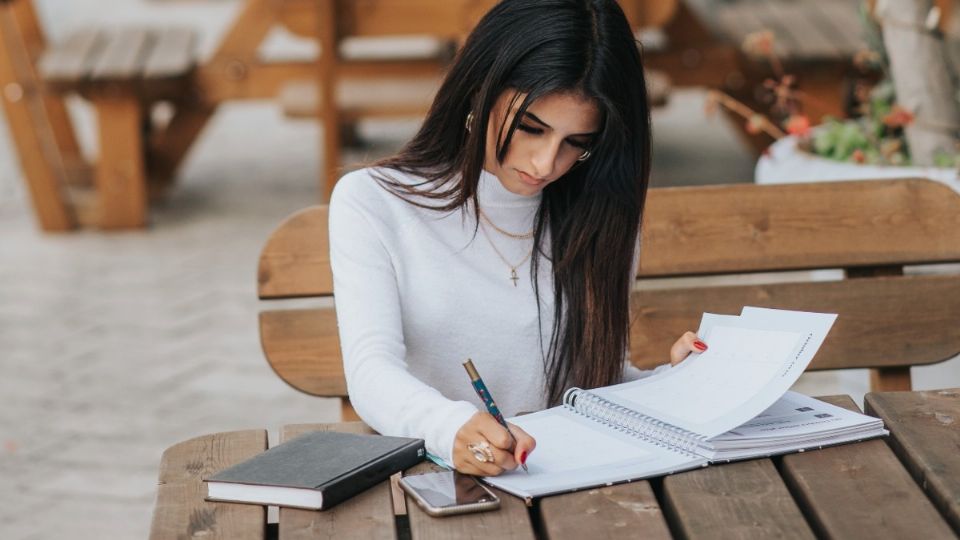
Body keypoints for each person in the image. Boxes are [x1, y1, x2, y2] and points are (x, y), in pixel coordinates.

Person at [329, 0, 708, 477]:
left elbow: (594, 381)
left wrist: (675, 384)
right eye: (531, 127)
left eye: (578, 143)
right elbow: (371, 371)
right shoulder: (374, 203)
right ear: (479, 91)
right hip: (441, 479)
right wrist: (452, 427)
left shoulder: (600, 215)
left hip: (571, 484)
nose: (546, 164)